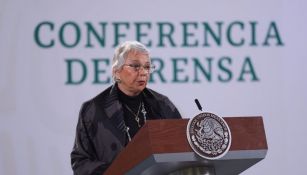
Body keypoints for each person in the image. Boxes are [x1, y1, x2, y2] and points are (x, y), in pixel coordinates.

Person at [70, 41, 182, 175]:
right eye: (135, 66)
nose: (143, 73)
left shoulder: (162, 105)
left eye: (147, 67)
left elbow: (181, 150)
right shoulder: (93, 110)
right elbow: (80, 163)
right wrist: (116, 172)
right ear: (116, 72)